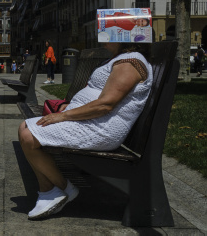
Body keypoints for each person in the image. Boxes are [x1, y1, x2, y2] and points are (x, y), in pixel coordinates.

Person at [17, 42, 152, 220]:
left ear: (124, 36)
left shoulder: (129, 64)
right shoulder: (121, 59)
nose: (101, 31)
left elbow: (106, 104)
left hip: (102, 128)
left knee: (28, 135)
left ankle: (64, 188)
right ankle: (49, 190)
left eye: (109, 28)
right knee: (25, 127)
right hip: (92, 122)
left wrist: (63, 116)